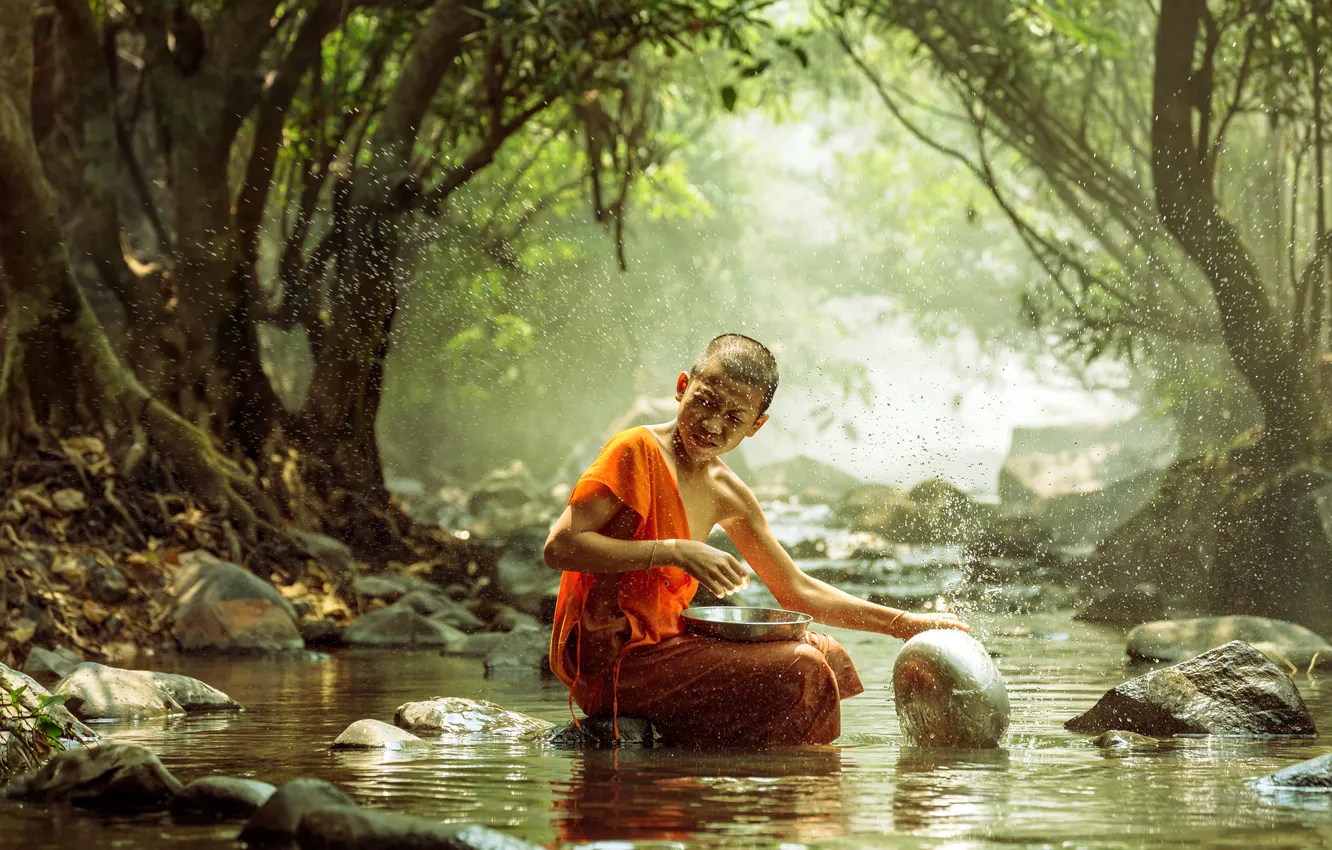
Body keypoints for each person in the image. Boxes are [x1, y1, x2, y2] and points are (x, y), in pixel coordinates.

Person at [543, 333, 969, 746]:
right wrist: (675, 552)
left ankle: (761, 769)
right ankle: (811, 786)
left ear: (755, 426)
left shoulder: (727, 492)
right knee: (804, 666)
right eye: (706, 401)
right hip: (617, 662)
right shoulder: (636, 449)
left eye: (734, 418)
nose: (713, 424)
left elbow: (795, 590)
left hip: (670, 646)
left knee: (828, 654)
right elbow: (559, 547)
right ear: (682, 387)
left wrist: (902, 624)